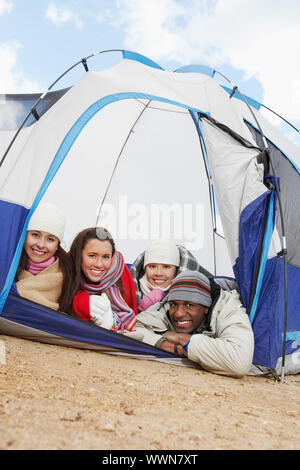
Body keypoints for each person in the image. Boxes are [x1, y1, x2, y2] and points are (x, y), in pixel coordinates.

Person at [135, 270, 254, 378]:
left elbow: (239, 362)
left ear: (206, 307)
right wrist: (171, 347)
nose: (178, 314)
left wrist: (184, 339)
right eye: (174, 304)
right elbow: (132, 328)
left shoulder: (228, 309)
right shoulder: (166, 308)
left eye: (189, 305)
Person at [70, 227, 137, 332]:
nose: (99, 264)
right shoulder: (65, 269)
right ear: (79, 255)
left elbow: (132, 319)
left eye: (106, 257)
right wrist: (82, 303)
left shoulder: (121, 274)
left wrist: (112, 320)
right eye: (92, 256)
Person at [14, 202, 72, 312]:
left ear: (57, 246)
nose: (41, 244)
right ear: (24, 236)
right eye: (35, 234)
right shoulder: (6, 266)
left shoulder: (68, 279)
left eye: (50, 239)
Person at [130, 239, 212, 312]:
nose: (158, 273)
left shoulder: (197, 295)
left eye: (166, 267)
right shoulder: (128, 289)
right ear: (145, 268)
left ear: (176, 270)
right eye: (152, 266)